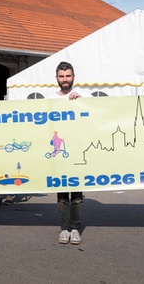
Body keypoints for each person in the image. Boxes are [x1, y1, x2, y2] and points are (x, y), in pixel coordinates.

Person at [53, 61, 84, 245]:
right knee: (62, 195)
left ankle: (75, 229)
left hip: (77, 151)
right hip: (58, 153)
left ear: (73, 77)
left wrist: (81, 103)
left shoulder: (81, 96)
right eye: (62, 76)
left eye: (68, 76)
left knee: (77, 196)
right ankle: (64, 229)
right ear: (56, 78)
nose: (65, 80)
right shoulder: (50, 98)